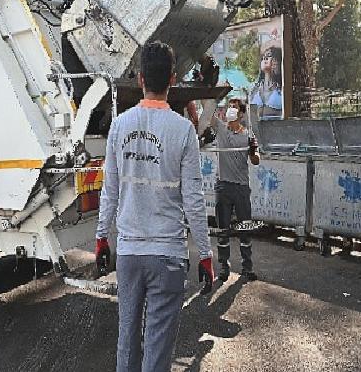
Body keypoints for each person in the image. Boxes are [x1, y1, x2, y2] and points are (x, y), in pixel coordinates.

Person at [94, 41, 214, 372]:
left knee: (127, 345)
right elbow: (193, 199)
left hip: (130, 255)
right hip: (169, 256)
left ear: (140, 78)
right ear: (173, 80)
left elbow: (110, 192)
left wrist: (102, 238)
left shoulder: (119, 126)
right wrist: (205, 254)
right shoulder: (184, 130)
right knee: (158, 353)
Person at [210, 99, 260, 282]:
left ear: (241, 114)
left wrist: (254, 151)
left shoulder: (248, 135)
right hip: (223, 186)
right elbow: (208, 112)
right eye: (229, 106)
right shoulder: (221, 130)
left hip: (241, 188)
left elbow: (256, 160)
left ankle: (247, 267)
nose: (230, 109)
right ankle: (224, 266)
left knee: (244, 228)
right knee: (223, 230)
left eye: (234, 107)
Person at [251, 43, 283, 120]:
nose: (265, 58)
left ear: (276, 61)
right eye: (263, 57)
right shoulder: (254, 89)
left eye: (269, 55)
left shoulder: (282, 87)